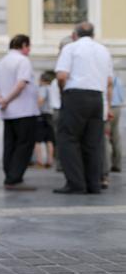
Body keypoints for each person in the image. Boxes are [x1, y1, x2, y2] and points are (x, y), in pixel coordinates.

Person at [54, 22, 113, 194]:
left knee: (68, 139)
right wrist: (107, 105)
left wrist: (63, 91)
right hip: (97, 97)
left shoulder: (71, 48)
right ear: (93, 35)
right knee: (93, 143)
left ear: (75, 34)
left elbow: (62, 76)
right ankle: (93, 183)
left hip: (76, 95)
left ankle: (76, 183)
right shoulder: (104, 50)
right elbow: (109, 82)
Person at [0, 34, 40, 191]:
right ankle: (15, 178)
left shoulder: (2, 62)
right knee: (24, 145)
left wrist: (2, 101)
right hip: (24, 110)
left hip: (8, 112)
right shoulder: (23, 61)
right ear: (24, 45)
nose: (29, 50)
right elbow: (21, 84)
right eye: (29, 47)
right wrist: (7, 99)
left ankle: (9, 176)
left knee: (10, 145)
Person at [50, 36, 72, 172]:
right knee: (65, 138)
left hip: (60, 108)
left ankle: (61, 164)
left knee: (60, 138)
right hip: (63, 107)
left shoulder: (62, 59)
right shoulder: (68, 58)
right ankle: (63, 164)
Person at [34, 72, 55, 168]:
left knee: (37, 140)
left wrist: (34, 109)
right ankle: (50, 161)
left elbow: (41, 100)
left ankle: (40, 161)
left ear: (42, 80)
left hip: (41, 115)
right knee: (49, 139)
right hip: (50, 115)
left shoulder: (43, 88)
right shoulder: (53, 88)